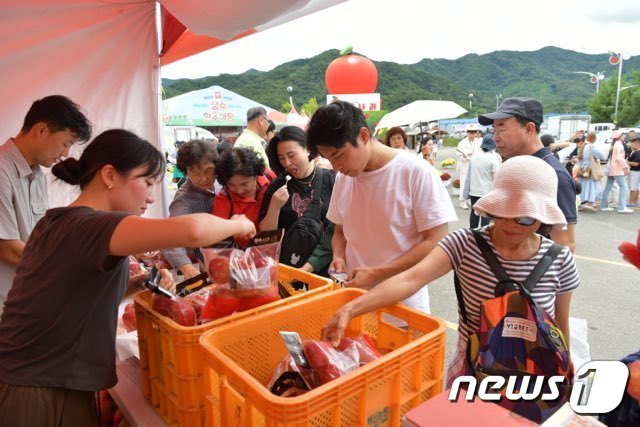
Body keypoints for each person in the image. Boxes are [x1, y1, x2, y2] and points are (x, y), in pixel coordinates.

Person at [0, 129, 255, 426]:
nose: (149, 197)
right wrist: (236, 223)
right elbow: (192, 231)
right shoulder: (88, 225)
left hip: (44, 379)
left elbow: (76, 293)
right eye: (146, 182)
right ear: (109, 175)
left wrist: (138, 285)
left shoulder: (57, 221)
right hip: (38, 389)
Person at [322, 156, 579, 388]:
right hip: (471, 378)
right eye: (501, 213)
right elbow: (411, 279)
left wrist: (565, 367)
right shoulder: (465, 244)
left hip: (534, 381)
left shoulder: (559, 260)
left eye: (525, 218)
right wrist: (349, 309)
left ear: (543, 217)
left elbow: (560, 326)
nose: (510, 224)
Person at [306, 101, 457, 314]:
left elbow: (436, 241)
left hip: (404, 306)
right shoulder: (343, 179)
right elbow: (339, 231)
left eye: (339, 155)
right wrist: (339, 256)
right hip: (355, 301)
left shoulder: (415, 171)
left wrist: (379, 273)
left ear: (364, 136)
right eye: (329, 159)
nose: (336, 166)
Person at [0, 95, 92, 315]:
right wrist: (66, 269)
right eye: (66, 143)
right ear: (41, 130)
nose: (65, 154)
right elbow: (9, 249)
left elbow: (36, 236)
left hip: (27, 296)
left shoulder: (37, 174)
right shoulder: (2, 172)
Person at [479, 97, 578, 252]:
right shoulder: (515, 168)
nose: (495, 137)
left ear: (529, 128)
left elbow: (565, 244)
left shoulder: (553, 175)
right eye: (494, 130)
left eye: (502, 129)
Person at [260, 126, 336, 275]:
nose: (287, 163)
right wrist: (275, 206)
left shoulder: (332, 179)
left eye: (291, 155)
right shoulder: (277, 186)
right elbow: (266, 233)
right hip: (291, 266)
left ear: (307, 149)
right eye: (281, 158)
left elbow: (339, 229)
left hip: (328, 266)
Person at [161, 140, 222, 279]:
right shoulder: (183, 200)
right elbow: (169, 237)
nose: (203, 178)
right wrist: (186, 266)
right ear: (185, 172)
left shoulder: (221, 184)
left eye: (208, 170)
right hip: (205, 266)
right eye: (195, 173)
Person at [212, 147, 272, 243]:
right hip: (241, 253)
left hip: (271, 246)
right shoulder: (224, 198)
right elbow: (217, 235)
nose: (239, 190)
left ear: (256, 175)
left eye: (244, 184)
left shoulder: (269, 180)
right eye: (231, 184)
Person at [462, 133, 501, 228]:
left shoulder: (474, 157)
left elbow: (468, 176)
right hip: (487, 192)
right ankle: (483, 234)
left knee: (474, 213)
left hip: (474, 192)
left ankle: (472, 233)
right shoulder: (493, 158)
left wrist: (465, 193)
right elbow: (496, 177)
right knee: (485, 215)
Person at [600, 130, 632, 214]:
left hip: (612, 169)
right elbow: (619, 157)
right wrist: (625, 166)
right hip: (617, 169)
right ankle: (622, 207)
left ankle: (604, 205)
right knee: (623, 187)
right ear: (619, 136)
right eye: (623, 135)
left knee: (608, 188)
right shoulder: (619, 145)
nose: (624, 136)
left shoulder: (614, 144)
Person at [577, 132, 607, 212]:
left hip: (583, 169)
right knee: (592, 187)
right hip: (590, 170)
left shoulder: (584, 146)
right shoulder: (591, 146)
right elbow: (602, 155)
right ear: (594, 139)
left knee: (584, 187)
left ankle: (581, 203)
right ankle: (589, 203)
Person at [456, 124, 482, 209]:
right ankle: (463, 201)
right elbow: (459, 154)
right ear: (467, 133)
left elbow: (480, 152)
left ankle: (469, 199)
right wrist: (465, 156)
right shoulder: (462, 143)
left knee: (472, 184)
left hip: (474, 165)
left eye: (474, 132)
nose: (472, 134)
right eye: (470, 132)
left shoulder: (477, 142)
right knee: (464, 183)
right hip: (465, 165)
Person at [627, 137, 640, 207]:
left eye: (632, 143)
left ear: (637, 144)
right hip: (636, 171)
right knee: (636, 187)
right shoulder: (635, 151)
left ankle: (631, 201)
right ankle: (635, 201)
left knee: (633, 187)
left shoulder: (638, 153)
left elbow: (636, 163)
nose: (631, 145)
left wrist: (627, 162)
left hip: (635, 171)